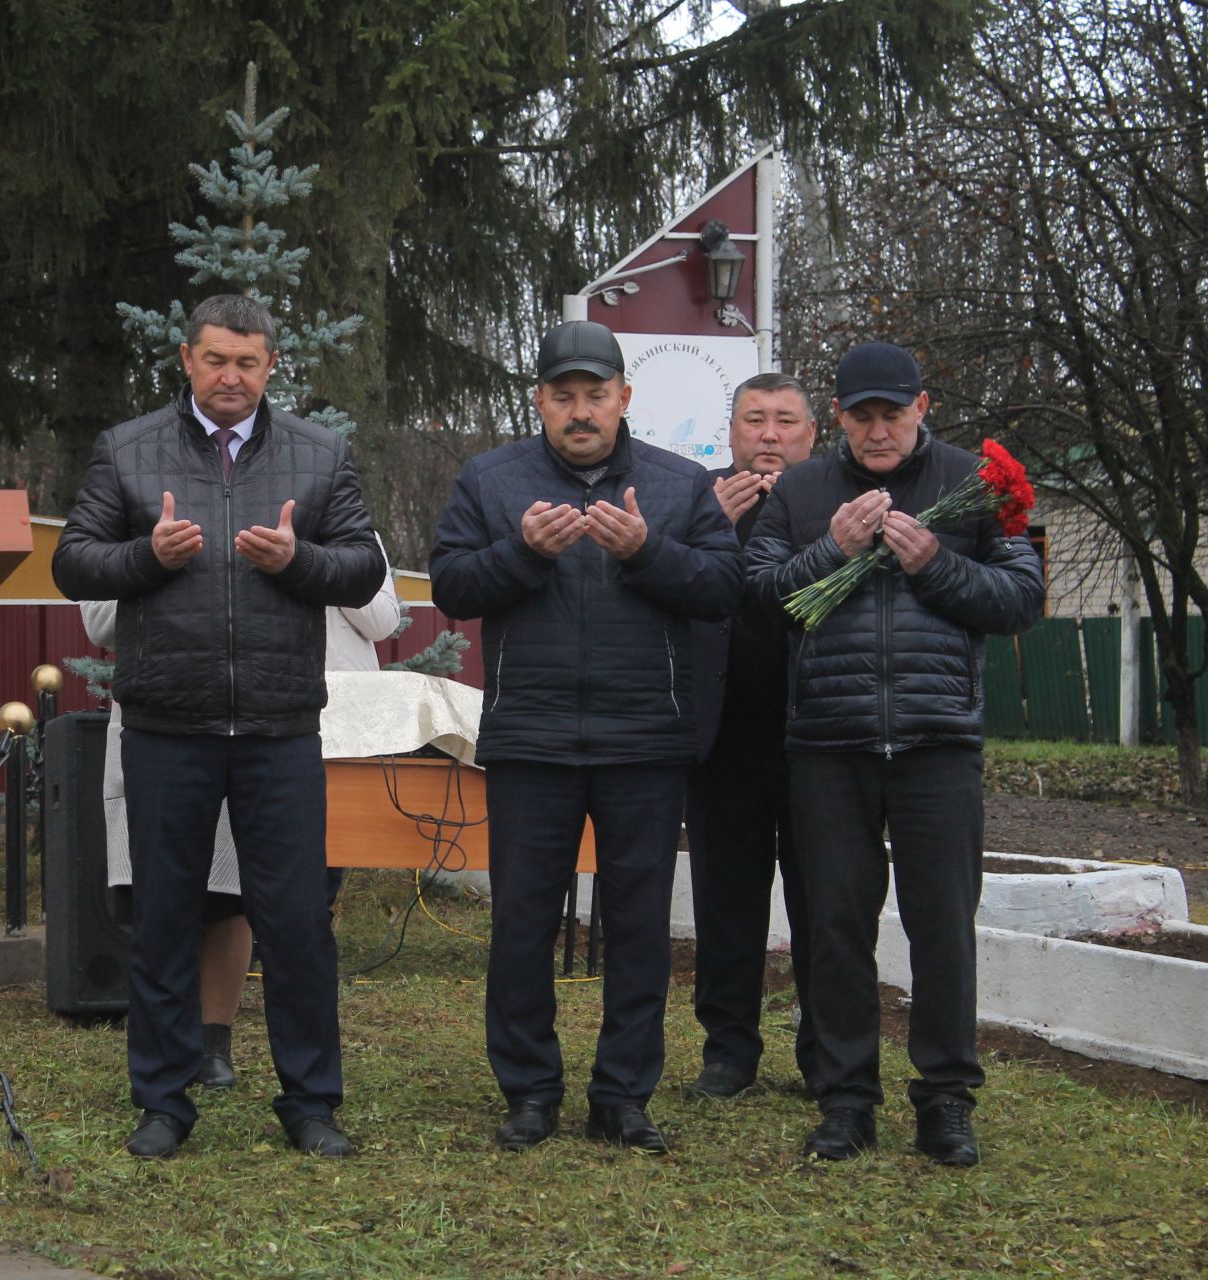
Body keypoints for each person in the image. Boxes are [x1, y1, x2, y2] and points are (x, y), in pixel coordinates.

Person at [51, 293, 385, 1159]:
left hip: (279, 728)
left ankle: (311, 1103)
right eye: (214, 360)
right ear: (187, 362)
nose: (229, 376)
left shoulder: (319, 454)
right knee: (164, 919)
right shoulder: (128, 449)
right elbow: (72, 559)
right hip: (167, 721)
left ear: (271, 365)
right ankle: (163, 1102)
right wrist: (144, 559)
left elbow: (361, 571)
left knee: (298, 923)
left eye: (247, 362)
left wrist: (298, 560)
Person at [429, 319, 744, 1153]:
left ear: (624, 399)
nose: (580, 412)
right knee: (522, 925)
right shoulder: (491, 480)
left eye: (595, 395)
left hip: (646, 741)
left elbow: (721, 589)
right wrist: (522, 552)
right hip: (531, 740)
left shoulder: (680, 486)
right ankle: (530, 1093)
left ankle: (622, 1097)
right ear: (538, 401)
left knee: (639, 927)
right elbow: (455, 586)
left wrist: (646, 550)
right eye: (563, 396)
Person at [747, 341, 1044, 1167]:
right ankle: (846, 1102)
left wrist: (937, 565)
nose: (878, 430)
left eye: (893, 413)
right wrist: (830, 553)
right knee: (835, 926)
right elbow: (759, 598)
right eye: (861, 415)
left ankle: (945, 1100)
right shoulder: (803, 491)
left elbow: (1022, 600)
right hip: (829, 743)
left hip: (936, 739)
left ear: (922, 407)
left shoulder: (975, 485)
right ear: (838, 417)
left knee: (942, 926)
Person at [78, 547, 400, 1089]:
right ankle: (165, 1073)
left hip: (291, 720)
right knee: (166, 897)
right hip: (172, 713)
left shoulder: (330, 512)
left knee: (246, 902)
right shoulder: (133, 501)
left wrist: (304, 561)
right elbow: (101, 622)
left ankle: (218, 1045)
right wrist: (158, 560)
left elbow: (382, 617)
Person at [683, 372, 821, 1101]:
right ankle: (728, 1053)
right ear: (729, 433)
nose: (769, 435)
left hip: (820, 737)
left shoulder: (835, 498)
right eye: (754, 420)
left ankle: (824, 1053)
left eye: (785, 421)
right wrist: (704, 525)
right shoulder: (696, 497)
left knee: (823, 903)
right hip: (723, 737)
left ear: (812, 435)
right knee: (727, 904)